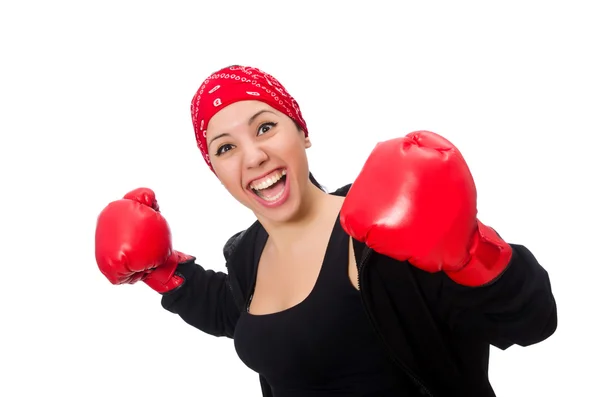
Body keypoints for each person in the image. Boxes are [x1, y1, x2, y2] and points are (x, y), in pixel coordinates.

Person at [94, 65, 557, 397]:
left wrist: (473, 252)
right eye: (226, 147)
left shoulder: (381, 233)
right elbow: (236, 314)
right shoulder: (248, 254)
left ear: (303, 132)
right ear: (215, 170)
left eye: (266, 127)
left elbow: (533, 321)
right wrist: (165, 273)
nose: (253, 156)